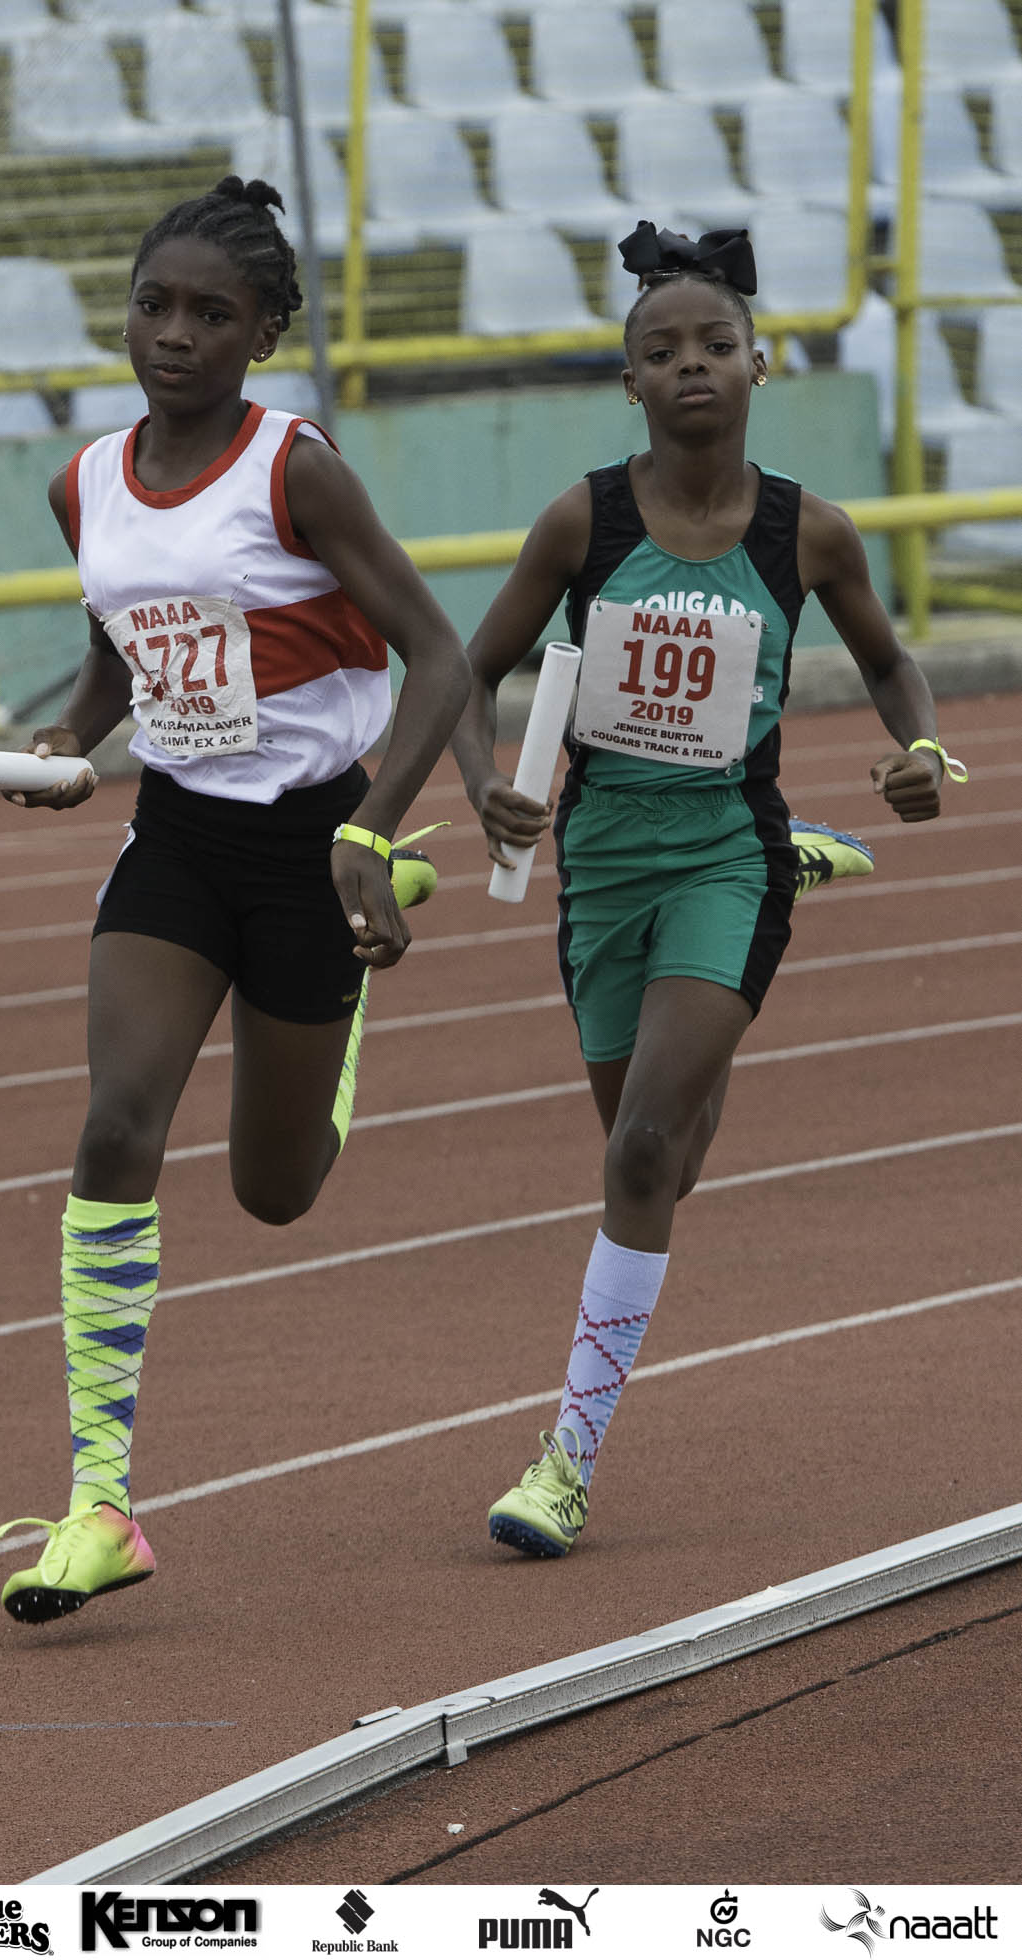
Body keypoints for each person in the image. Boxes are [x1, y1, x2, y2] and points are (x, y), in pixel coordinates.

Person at [0, 177, 470, 1621]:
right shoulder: (84, 482)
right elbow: (122, 638)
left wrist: (369, 830)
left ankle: (347, 992)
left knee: (274, 1191)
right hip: (177, 840)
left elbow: (440, 656)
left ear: (263, 334)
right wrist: (73, 735)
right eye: (154, 307)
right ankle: (99, 1502)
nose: (174, 335)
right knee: (115, 1123)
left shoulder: (295, 470)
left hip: (315, 840)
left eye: (211, 314)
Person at [452, 222, 966, 1559]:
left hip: (726, 851)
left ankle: (564, 1462)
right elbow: (469, 669)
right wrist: (484, 781)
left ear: (758, 365)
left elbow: (892, 664)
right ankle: (713, 1001)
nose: (692, 365)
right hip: (601, 863)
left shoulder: (810, 532)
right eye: (663, 350)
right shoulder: (584, 520)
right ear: (628, 379)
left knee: (634, 1153)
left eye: (716, 345)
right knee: (664, 1163)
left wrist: (918, 749)